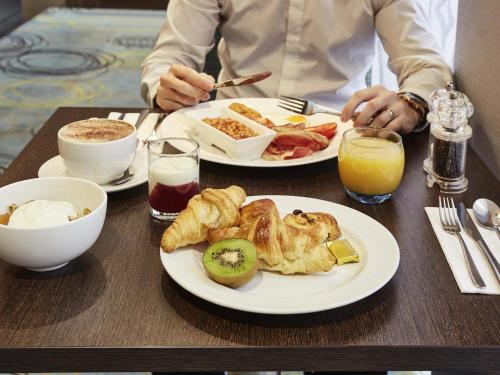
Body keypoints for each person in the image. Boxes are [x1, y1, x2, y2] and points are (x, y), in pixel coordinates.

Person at [141, 0, 452, 134]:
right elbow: (170, 56)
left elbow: (427, 67)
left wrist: (411, 103)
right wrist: (167, 87)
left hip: (335, 135)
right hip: (228, 130)